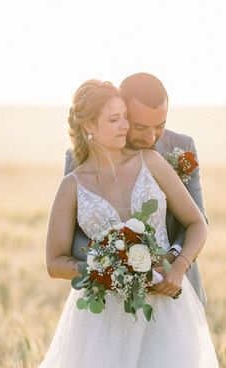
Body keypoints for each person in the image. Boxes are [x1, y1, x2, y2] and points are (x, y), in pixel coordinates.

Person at [0, 80, 226, 368]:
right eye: (118, 120)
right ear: (89, 127)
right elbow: (55, 260)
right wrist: (105, 268)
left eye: (126, 119)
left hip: (164, 307)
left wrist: (176, 269)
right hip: (102, 316)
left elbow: (197, 222)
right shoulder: (73, 184)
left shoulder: (154, 162)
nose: (129, 129)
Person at [65, 73, 208, 305]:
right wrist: (118, 263)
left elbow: (198, 219)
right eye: (140, 127)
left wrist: (173, 260)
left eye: (160, 126)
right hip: (108, 298)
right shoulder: (79, 160)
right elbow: (73, 235)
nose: (151, 137)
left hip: (174, 289)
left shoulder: (181, 147)